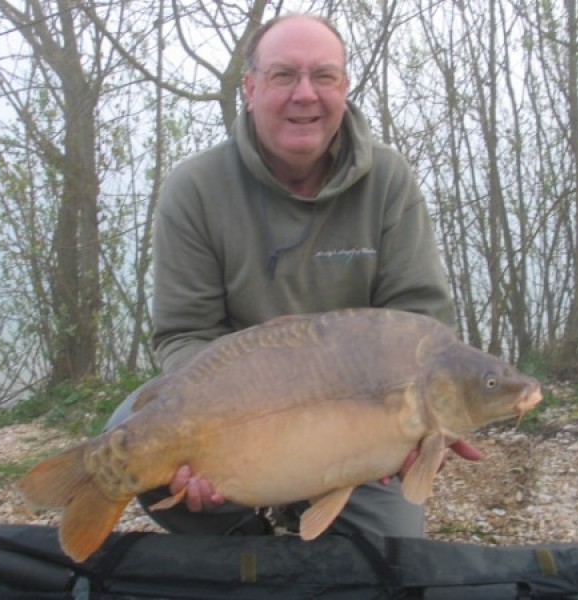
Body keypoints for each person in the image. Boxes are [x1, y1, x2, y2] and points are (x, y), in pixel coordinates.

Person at [107, 12, 480, 538]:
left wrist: (428, 424)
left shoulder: (388, 180)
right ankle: (247, 537)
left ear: (344, 88)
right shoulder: (194, 189)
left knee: (390, 549)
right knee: (131, 432)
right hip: (239, 413)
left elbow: (420, 323)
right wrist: (217, 416)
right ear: (251, 89)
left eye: (324, 76)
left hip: (357, 417)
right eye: (284, 75)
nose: (305, 94)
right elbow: (185, 332)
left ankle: (321, 514)